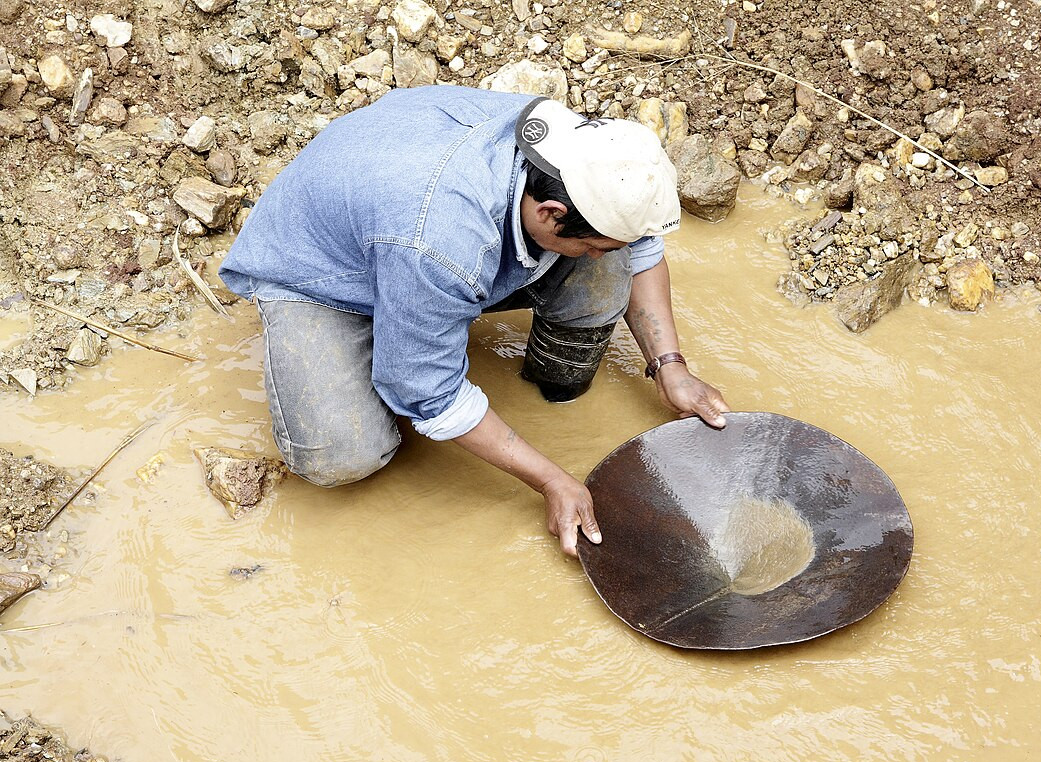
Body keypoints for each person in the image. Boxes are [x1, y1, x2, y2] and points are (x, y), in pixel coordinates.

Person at [219, 85, 730, 557]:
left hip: (406, 227)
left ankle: (528, 371)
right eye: (596, 244)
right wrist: (551, 479)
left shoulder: (579, 154)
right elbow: (432, 394)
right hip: (323, 277)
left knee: (604, 270)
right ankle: (401, 332)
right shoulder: (443, 243)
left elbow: (638, 248)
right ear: (551, 214)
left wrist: (670, 367)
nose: (602, 253)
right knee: (343, 456)